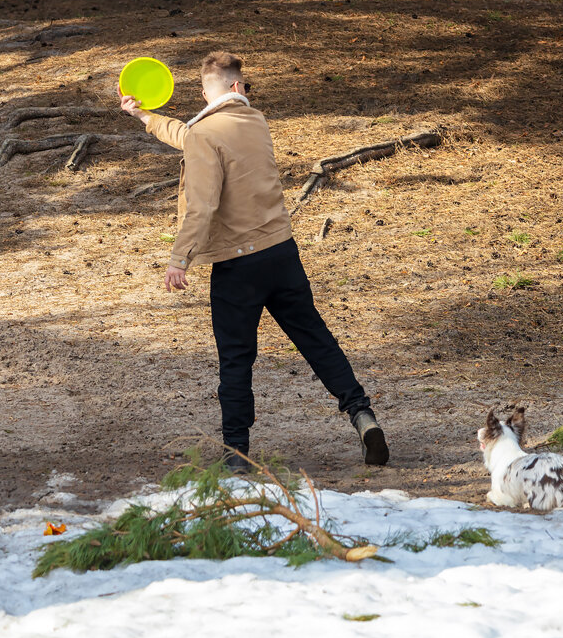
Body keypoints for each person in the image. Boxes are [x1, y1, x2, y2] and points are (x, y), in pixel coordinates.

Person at [119, 51, 388, 472]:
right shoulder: (255, 121)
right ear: (237, 88)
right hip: (281, 253)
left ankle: (236, 453)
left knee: (236, 359)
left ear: (204, 92)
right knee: (315, 339)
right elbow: (189, 134)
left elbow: (202, 204)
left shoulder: (205, 134)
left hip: (237, 265)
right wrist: (145, 116)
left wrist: (179, 259)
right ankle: (362, 414)